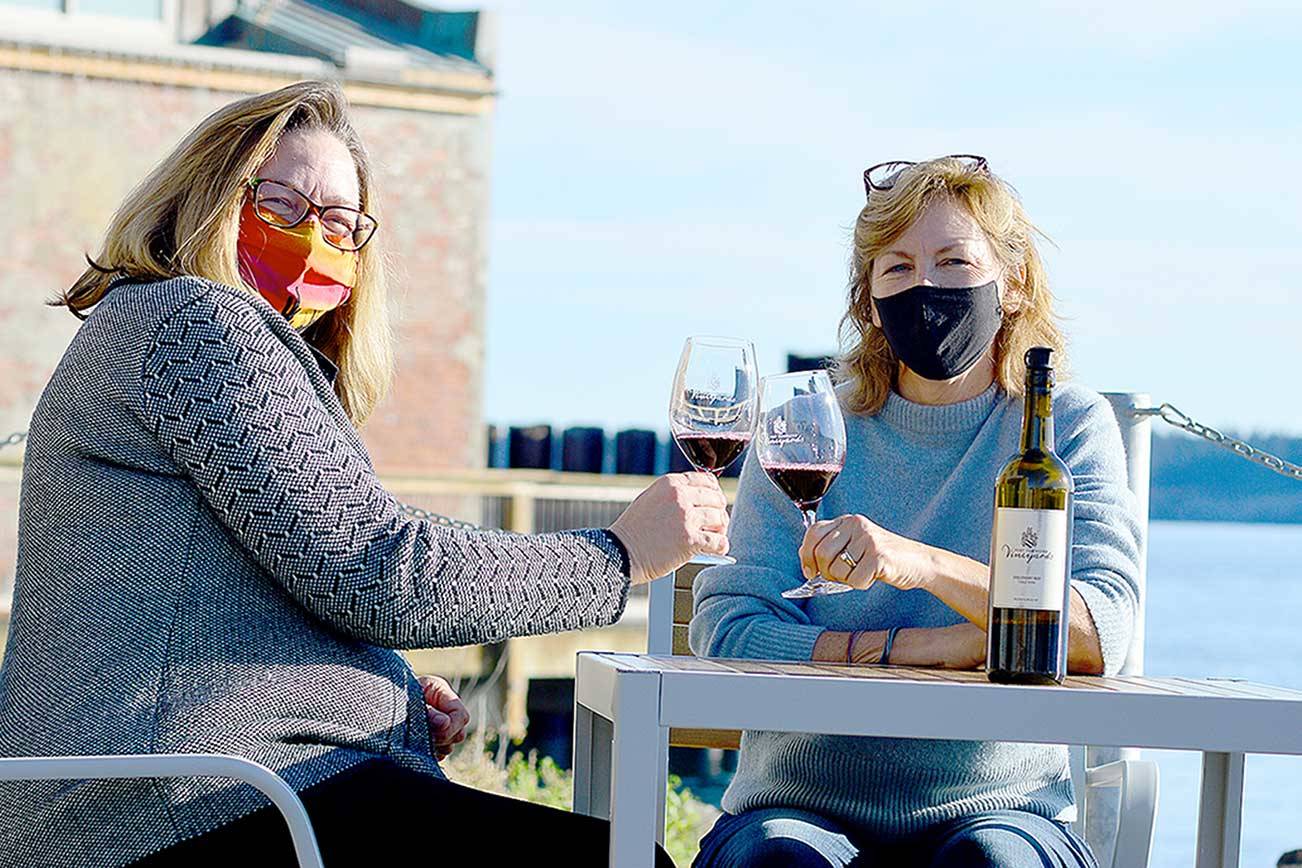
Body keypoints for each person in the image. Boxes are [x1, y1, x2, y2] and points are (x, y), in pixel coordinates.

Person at [0, 81, 729, 867]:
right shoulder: (197, 323)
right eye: (280, 205)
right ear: (207, 199)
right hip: (180, 808)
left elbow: (241, 585)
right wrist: (618, 555)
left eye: (341, 224)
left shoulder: (154, 326)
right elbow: (378, 570)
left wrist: (388, 693)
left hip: (174, 793)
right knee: (627, 861)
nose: (312, 238)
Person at [689, 155, 1143, 867]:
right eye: (898, 268)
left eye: (954, 261)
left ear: (1012, 283)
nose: (926, 288)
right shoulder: (805, 430)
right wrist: (927, 648)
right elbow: (728, 628)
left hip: (1005, 809)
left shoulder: (1063, 428)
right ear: (869, 302)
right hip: (797, 806)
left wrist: (921, 565)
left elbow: (1096, 631)